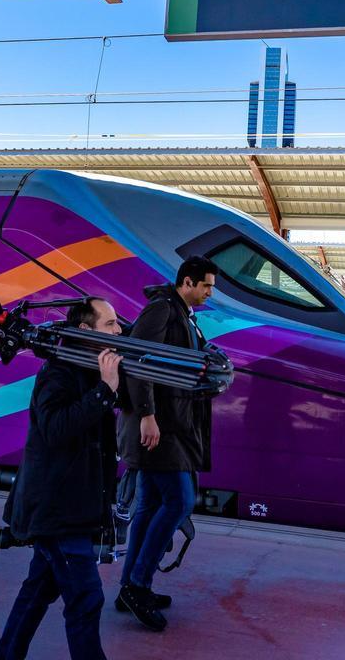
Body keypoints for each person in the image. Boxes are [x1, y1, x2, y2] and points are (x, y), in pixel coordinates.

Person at [0, 297, 123, 660]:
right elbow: (54, 429)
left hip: (72, 508)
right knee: (86, 598)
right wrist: (105, 391)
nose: (119, 330)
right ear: (85, 330)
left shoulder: (91, 370)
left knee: (36, 592)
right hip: (57, 510)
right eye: (110, 324)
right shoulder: (58, 373)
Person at [116, 256, 218, 631]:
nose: (209, 293)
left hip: (171, 424)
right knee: (179, 500)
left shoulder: (183, 314)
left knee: (149, 505)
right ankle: (138, 585)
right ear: (187, 282)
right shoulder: (162, 310)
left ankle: (129, 586)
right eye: (206, 285)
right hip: (159, 427)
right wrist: (147, 414)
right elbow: (137, 359)